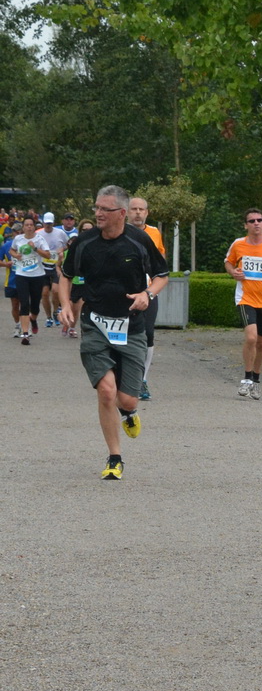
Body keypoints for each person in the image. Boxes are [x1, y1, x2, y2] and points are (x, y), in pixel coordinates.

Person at [54, 185, 169, 481]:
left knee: (127, 400)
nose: (98, 213)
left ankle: (128, 413)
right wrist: (65, 305)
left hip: (131, 325)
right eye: (96, 207)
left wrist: (147, 294)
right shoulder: (84, 242)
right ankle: (115, 457)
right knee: (106, 391)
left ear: (121, 213)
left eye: (105, 209)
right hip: (95, 323)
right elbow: (66, 276)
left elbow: (162, 275)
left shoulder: (139, 240)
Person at [225, 208, 262, 398]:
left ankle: (256, 380)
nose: (256, 223)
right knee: (251, 338)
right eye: (251, 221)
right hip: (245, 297)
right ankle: (246, 378)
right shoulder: (238, 244)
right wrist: (233, 272)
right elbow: (228, 262)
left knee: (261, 342)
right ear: (246, 225)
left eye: (259, 220)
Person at [127, 197, 167, 400]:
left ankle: (142, 379)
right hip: (125, 291)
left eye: (141, 209)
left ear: (147, 213)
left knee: (148, 333)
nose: (137, 212)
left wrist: (156, 280)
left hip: (149, 291)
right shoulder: (120, 232)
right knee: (123, 333)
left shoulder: (154, 233)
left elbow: (161, 260)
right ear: (126, 212)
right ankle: (123, 376)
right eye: (134, 209)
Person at [6, 216, 49, 345]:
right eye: (27, 225)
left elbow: (47, 255)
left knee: (35, 305)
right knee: (24, 303)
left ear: (34, 227)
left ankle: (33, 319)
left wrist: (35, 248)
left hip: (37, 275)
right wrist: (16, 255)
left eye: (31, 225)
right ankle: (25, 334)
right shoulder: (18, 239)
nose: (29, 227)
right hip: (22, 274)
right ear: (23, 227)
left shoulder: (40, 239)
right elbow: (11, 250)